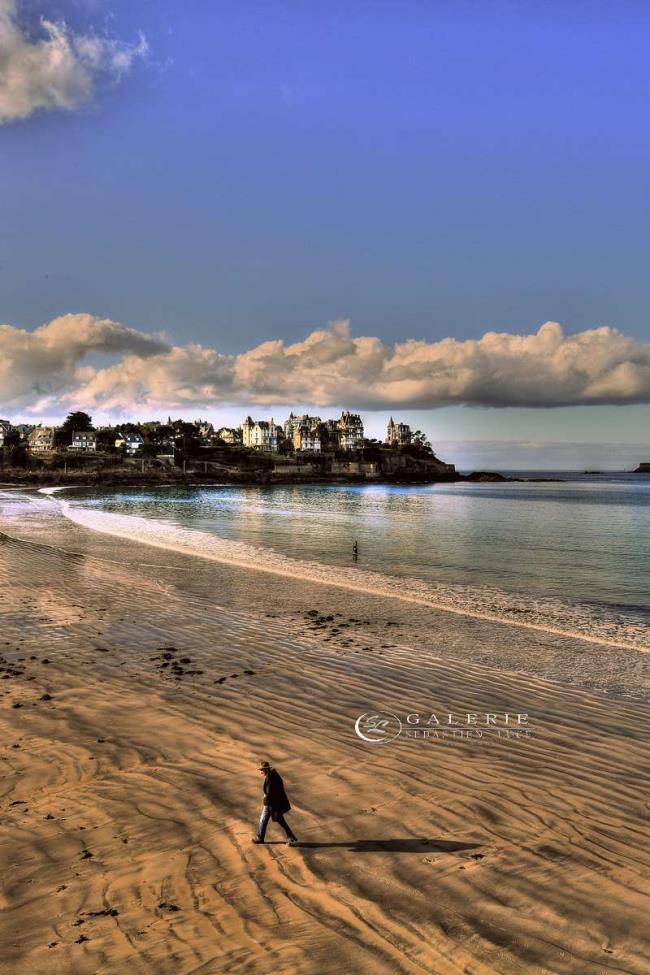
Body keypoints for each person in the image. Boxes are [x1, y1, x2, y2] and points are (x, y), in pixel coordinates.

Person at [252, 761, 298, 846]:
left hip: (272, 804)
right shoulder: (273, 775)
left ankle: (291, 838)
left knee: (279, 821)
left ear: (266, 769)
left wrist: (266, 801)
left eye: (262, 770)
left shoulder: (270, 777)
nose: (261, 772)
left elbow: (270, 792)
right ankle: (260, 838)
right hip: (273, 803)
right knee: (265, 820)